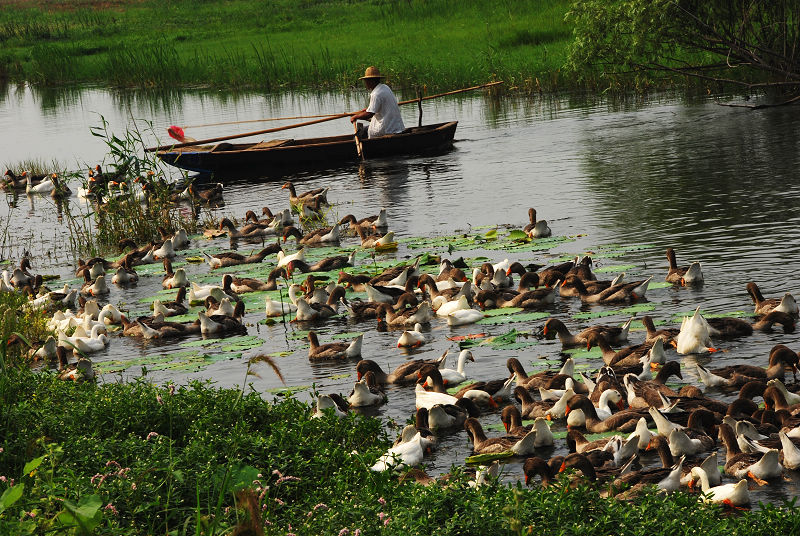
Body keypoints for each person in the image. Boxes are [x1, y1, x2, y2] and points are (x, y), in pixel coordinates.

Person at [350, 66, 405, 138]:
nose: (365, 83)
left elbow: (369, 114)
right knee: (364, 130)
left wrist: (355, 117)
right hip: (397, 127)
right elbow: (374, 109)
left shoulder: (375, 94)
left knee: (359, 134)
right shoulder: (385, 87)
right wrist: (367, 109)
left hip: (386, 129)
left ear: (371, 81)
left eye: (366, 81)